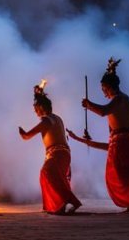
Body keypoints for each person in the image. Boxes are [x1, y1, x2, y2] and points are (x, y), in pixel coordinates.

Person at [75, 57, 129, 212]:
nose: (103, 92)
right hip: (122, 139)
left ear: (110, 86)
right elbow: (112, 123)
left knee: (123, 172)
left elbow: (103, 111)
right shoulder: (121, 99)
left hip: (124, 141)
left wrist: (89, 105)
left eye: (104, 88)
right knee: (126, 172)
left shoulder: (119, 98)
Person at [19, 81, 82, 215]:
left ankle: (69, 202)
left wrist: (22, 133)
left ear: (41, 107)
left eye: (36, 108)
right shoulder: (57, 118)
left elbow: (28, 136)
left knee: (47, 173)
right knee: (54, 176)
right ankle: (59, 206)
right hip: (63, 153)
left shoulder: (46, 120)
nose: (35, 112)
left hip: (57, 154)